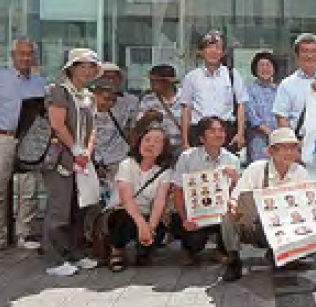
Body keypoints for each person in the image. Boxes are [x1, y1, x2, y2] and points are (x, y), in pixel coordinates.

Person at [222, 127, 313, 282]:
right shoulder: (256, 169)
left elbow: (309, 202)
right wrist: (233, 205)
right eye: (284, 148)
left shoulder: (300, 172)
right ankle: (233, 259)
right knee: (227, 216)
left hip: (287, 226)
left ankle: (281, 255)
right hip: (257, 226)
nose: (289, 153)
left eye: (292, 148)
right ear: (271, 152)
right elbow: (237, 196)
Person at [43, 48, 100, 277]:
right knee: (60, 207)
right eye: (82, 65)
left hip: (82, 159)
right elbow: (57, 123)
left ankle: (76, 252)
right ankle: (56, 257)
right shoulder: (58, 91)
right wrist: (75, 148)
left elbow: (93, 127)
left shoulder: (89, 96)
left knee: (81, 206)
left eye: (90, 67)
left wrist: (87, 150)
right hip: (61, 157)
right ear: (71, 68)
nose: (86, 71)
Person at [171, 116, 241, 263]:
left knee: (232, 217)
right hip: (195, 212)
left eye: (221, 130)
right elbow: (177, 190)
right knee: (195, 239)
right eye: (212, 131)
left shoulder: (233, 160)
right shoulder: (187, 157)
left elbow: (237, 193)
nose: (218, 134)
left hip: (220, 212)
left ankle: (222, 250)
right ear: (202, 138)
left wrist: (235, 179)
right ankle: (188, 249)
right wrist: (184, 218)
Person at [104, 125, 173, 272]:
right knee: (122, 218)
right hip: (123, 211)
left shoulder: (165, 172)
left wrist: (151, 228)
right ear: (140, 142)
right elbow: (126, 199)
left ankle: (144, 248)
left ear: (163, 148)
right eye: (147, 140)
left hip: (147, 214)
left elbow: (160, 201)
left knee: (159, 225)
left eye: (156, 141)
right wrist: (143, 225)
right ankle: (117, 251)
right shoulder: (127, 164)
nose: (150, 144)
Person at [0, 37, 46, 249]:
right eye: (22, 54)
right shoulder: (2, 78)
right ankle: (1, 236)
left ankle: (24, 234)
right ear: (13, 55)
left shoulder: (39, 82)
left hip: (30, 139)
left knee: (29, 188)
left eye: (29, 54)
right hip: (5, 137)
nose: (26, 58)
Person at [178, 31, 248, 149]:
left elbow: (241, 105)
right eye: (209, 47)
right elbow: (186, 109)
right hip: (199, 130)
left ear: (223, 52)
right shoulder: (191, 77)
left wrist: (240, 134)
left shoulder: (232, 74)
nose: (214, 51)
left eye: (218, 48)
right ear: (201, 51)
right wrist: (185, 141)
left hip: (225, 130)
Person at [91, 78, 129, 203]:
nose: (110, 103)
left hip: (115, 162)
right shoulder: (84, 113)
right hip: (91, 164)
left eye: (113, 100)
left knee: (116, 200)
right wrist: (96, 163)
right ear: (94, 95)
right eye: (106, 99)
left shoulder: (119, 112)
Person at [135, 65, 185, 156]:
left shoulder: (185, 97)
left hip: (181, 148)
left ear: (168, 82)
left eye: (155, 81)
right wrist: (148, 117)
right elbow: (138, 128)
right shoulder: (147, 99)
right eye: (151, 81)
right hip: (158, 150)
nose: (151, 84)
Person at [245, 51, 279, 163]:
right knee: (260, 172)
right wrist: (271, 134)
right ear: (255, 69)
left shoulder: (280, 90)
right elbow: (253, 117)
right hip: (258, 140)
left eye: (268, 65)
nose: (265, 69)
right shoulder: (249, 89)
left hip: (280, 141)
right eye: (261, 65)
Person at [99, 62, 140, 134]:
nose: (111, 81)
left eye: (114, 77)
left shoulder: (132, 100)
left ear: (120, 79)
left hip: (119, 143)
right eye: (106, 77)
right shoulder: (89, 99)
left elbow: (132, 127)